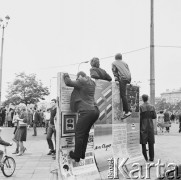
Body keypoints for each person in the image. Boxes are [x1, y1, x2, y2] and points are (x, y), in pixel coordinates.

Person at [63, 71, 100, 162]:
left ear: (80, 76)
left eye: (77, 77)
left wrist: (66, 75)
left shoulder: (82, 81)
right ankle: (82, 154)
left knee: (79, 134)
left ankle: (76, 155)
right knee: (85, 133)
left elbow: (68, 82)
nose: (77, 79)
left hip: (87, 111)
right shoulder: (92, 82)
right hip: (95, 111)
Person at [112, 53, 132, 119]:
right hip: (128, 78)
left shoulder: (114, 63)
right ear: (121, 58)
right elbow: (128, 71)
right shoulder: (125, 63)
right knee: (124, 94)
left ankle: (127, 111)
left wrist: (116, 80)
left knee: (123, 95)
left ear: (115, 58)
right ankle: (127, 110)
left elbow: (115, 72)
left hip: (122, 79)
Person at [140, 94, 157, 162]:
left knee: (143, 143)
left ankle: (145, 158)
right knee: (151, 142)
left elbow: (139, 117)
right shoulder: (152, 107)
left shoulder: (140, 107)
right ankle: (151, 158)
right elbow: (154, 116)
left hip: (143, 125)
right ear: (148, 98)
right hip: (150, 125)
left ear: (142, 99)